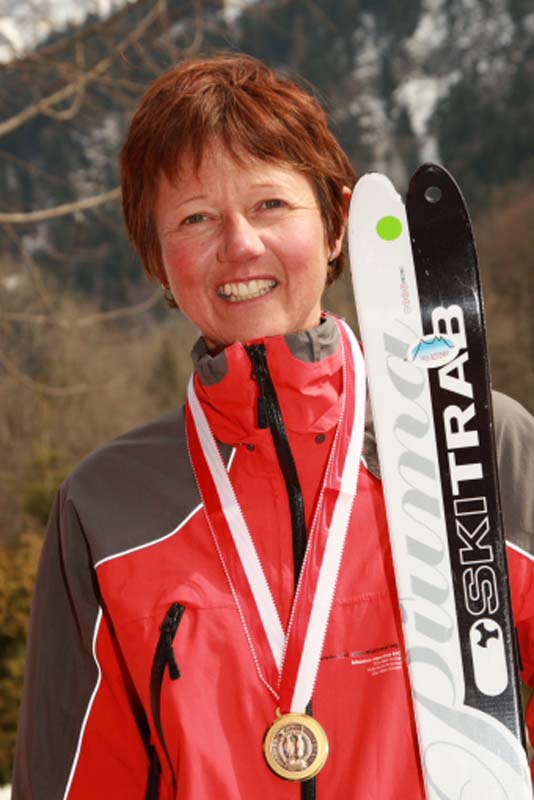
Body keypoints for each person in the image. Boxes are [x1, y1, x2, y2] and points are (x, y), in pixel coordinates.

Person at [12, 53, 534, 799]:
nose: (240, 245)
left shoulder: (475, 441)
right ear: (157, 259)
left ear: (336, 227)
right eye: (195, 218)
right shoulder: (105, 510)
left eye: (270, 205)